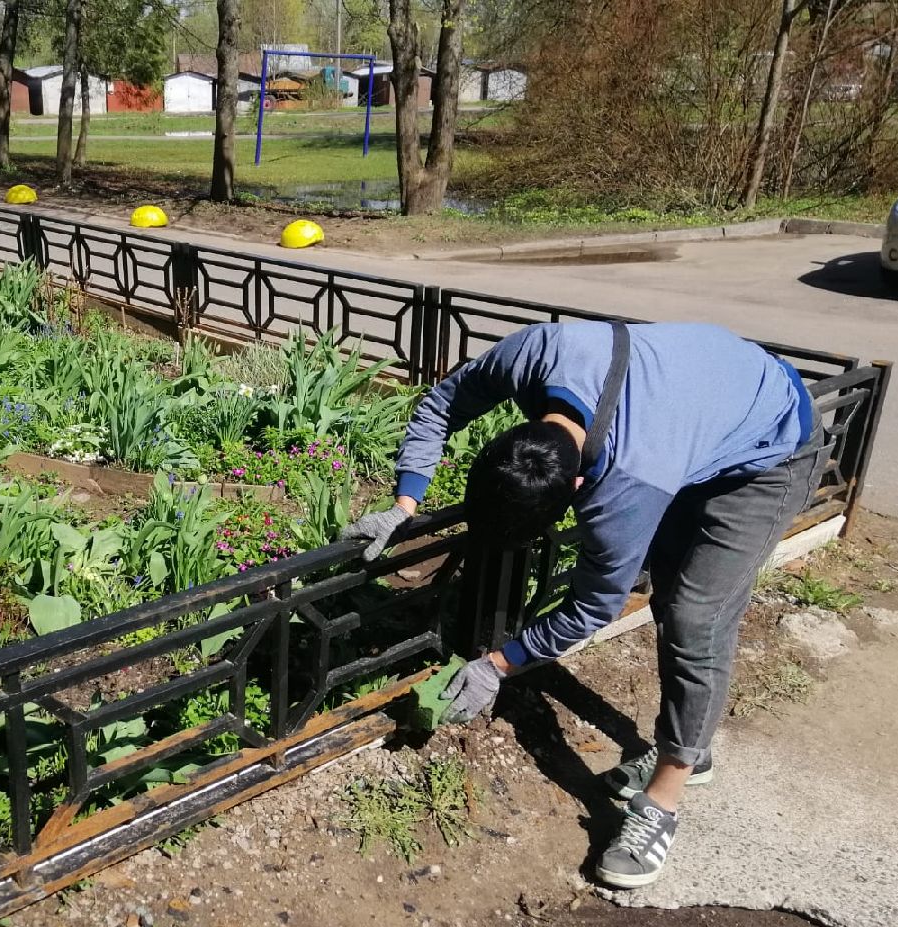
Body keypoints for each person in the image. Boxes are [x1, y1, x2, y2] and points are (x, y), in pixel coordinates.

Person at [341, 321, 824, 888]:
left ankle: (665, 795)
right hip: (700, 408)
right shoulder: (535, 353)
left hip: (770, 446)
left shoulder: (628, 483)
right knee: (670, 596)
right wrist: (405, 501)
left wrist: (498, 664)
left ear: (576, 489)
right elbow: (443, 402)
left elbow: (594, 606)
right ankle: (694, 745)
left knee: (695, 617)